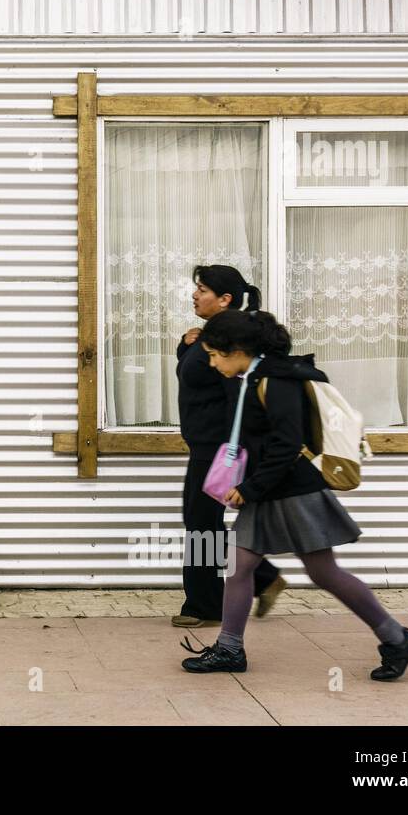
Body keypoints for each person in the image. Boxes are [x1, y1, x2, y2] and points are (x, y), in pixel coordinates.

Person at [179, 309, 408, 681]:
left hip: (294, 492)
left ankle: (396, 637)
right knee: (238, 565)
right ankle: (230, 649)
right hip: (266, 491)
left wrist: (248, 488)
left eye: (216, 355)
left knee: (324, 572)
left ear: (239, 350)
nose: (212, 364)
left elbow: (286, 445)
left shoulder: (277, 380)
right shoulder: (250, 378)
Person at [172, 266, 285, 629]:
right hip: (204, 443)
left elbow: (239, 394)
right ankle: (219, 596)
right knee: (201, 522)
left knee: (202, 523)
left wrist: (240, 447)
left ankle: (211, 600)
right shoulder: (211, 335)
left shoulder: (232, 339)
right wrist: (185, 343)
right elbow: (196, 375)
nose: (194, 295)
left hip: (218, 446)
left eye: (202, 289)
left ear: (225, 299)